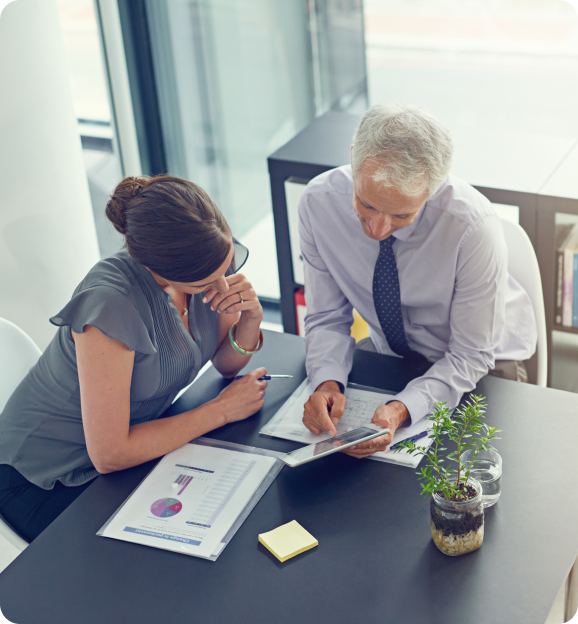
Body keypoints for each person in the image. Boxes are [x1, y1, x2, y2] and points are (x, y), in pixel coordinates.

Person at [0, 175, 268, 542]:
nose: (222, 286)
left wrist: (251, 317)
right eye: (207, 283)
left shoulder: (203, 265)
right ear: (165, 272)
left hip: (130, 454)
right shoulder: (111, 304)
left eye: (227, 268)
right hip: (43, 479)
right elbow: (110, 454)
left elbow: (225, 364)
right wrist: (221, 411)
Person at [299, 103, 537, 459]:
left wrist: (402, 409)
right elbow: (327, 318)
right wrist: (326, 382)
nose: (377, 230)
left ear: (434, 188)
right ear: (353, 158)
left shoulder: (473, 228)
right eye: (365, 204)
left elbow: (471, 354)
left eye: (401, 215)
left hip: (484, 369)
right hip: (392, 355)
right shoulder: (318, 204)